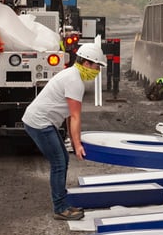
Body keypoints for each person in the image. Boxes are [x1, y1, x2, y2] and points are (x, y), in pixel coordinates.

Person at [22, 37, 107, 220]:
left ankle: (63, 203)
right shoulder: (74, 80)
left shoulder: (72, 75)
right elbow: (76, 116)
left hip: (43, 121)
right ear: (86, 62)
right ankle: (60, 208)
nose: (97, 71)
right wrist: (77, 145)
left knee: (62, 161)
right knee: (59, 163)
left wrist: (73, 139)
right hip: (39, 122)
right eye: (96, 66)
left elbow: (70, 115)